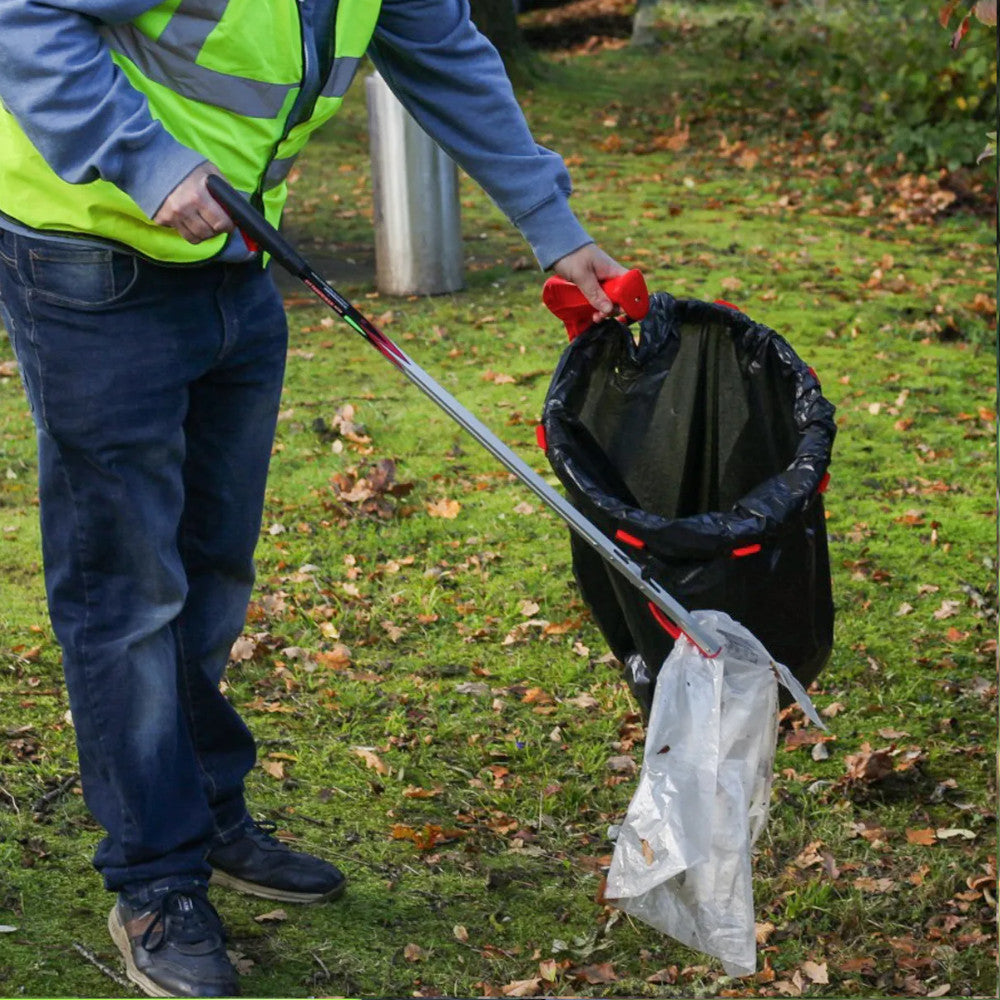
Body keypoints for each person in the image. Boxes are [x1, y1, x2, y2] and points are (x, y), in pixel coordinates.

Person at [0, 1, 625, 995]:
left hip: (237, 263)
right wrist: (147, 162)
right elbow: (24, 19)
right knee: (128, 595)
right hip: (91, 265)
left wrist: (552, 228)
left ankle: (202, 812)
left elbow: (444, 53)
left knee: (212, 567)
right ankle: (155, 877)